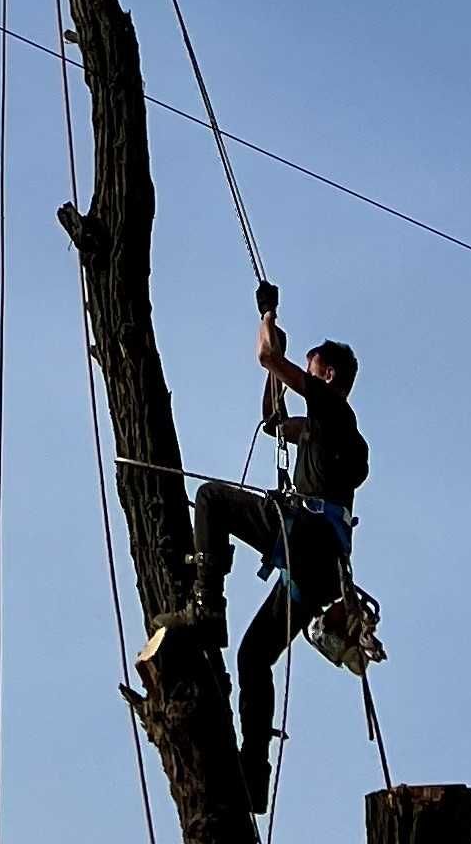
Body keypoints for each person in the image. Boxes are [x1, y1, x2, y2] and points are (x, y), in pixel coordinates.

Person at [157, 285, 369, 814]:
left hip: (302, 537)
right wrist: (277, 374)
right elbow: (276, 422)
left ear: (327, 376)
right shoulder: (330, 428)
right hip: (320, 569)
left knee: (210, 498)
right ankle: (253, 772)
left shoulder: (331, 408)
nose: (305, 370)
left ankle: (207, 606)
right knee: (254, 657)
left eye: (311, 366)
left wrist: (268, 315)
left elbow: (267, 357)